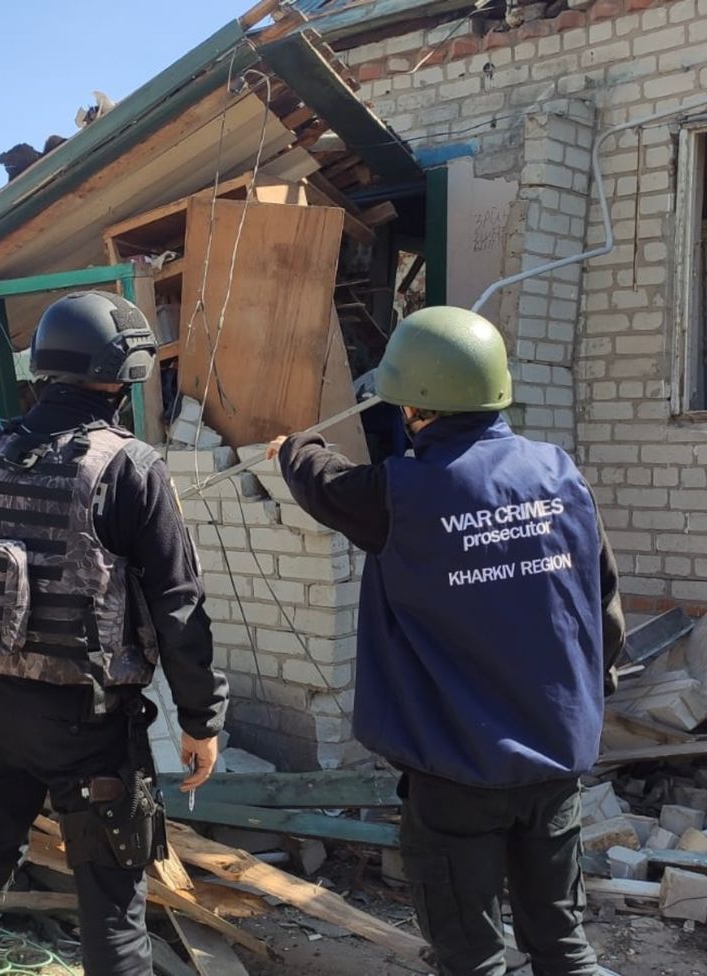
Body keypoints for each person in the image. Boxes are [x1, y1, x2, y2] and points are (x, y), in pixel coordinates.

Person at [268, 306, 625, 976]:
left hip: (457, 770)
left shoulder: (401, 493)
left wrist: (295, 446)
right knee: (562, 947)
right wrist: (587, 698)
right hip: (555, 759)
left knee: (471, 957)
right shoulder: (559, 474)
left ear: (413, 407)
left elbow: (323, 483)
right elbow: (603, 602)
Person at [0, 291, 227, 976]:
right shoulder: (129, 466)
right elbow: (179, 606)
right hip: (88, 725)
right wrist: (201, 720)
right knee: (113, 909)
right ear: (126, 372)